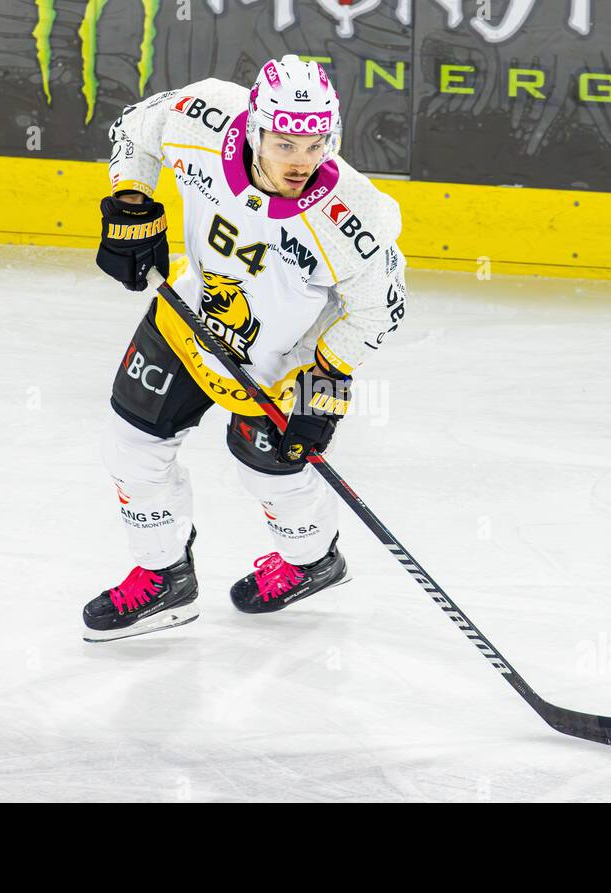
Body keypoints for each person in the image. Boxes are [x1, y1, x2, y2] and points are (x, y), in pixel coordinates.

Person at [82, 55, 407, 642]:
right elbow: (136, 128)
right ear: (255, 127)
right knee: (130, 442)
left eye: (316, 144)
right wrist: (131, 205)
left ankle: (312, 561)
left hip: (281, 365)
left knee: (268, 473)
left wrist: (325, 382)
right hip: (189, 318)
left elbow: (381, 308)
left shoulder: (355, 216)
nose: (302, 161)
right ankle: (165, 579)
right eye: (284, 143)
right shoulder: (203, 116)